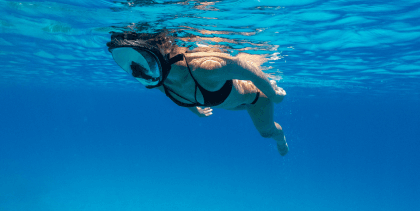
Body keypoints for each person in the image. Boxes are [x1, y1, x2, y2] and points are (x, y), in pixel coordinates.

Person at [107, 31, 289, 156]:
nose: (137, 73)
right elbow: (180, 94)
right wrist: (196, 110)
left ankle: (281, 140)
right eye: (133, 68)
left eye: (141, 64)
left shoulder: (204, 68)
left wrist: (272, 93)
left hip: (255, 98)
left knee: (266, 132)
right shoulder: (155, 79)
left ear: (158, 53)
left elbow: (245, 67)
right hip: (227, 102)